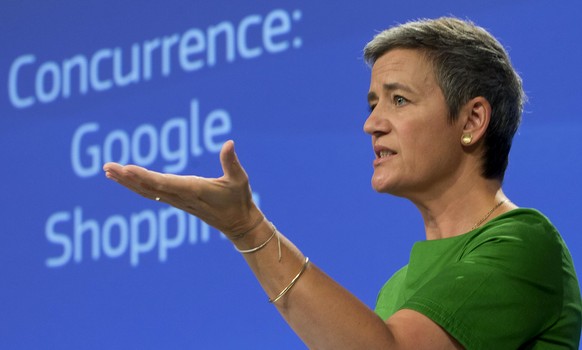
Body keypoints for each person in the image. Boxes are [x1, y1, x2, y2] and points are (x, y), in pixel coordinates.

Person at [103, 17, 581, 349]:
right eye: (372, 103)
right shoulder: (397, 290)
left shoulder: (523, 243)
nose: (372, 123)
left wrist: (249, 229)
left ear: (472, 120)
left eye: (398, 100)